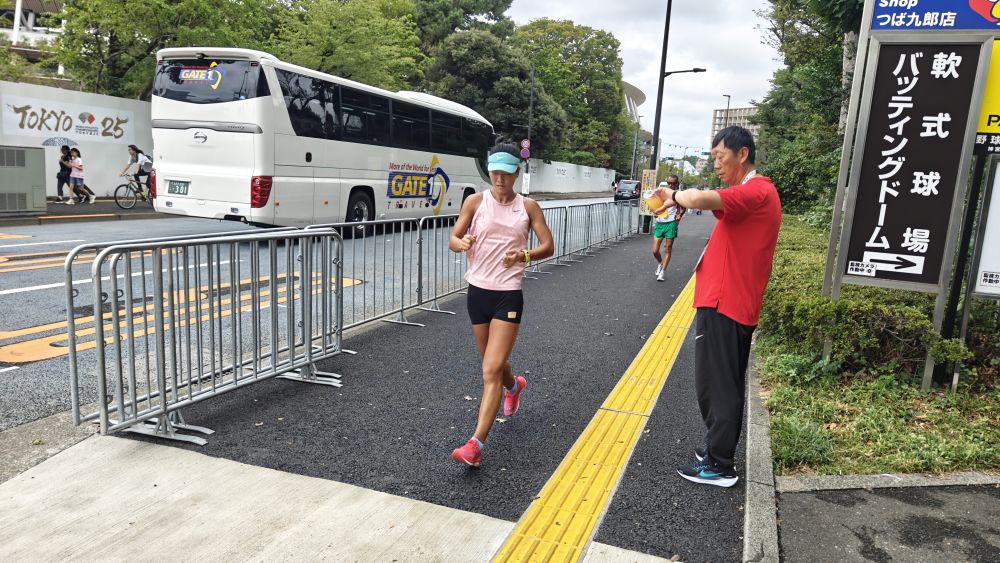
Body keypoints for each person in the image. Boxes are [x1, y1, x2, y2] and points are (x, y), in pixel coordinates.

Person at [655, 126, 781, 487]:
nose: (716, 165)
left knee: (718, 385)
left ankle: (720, 464)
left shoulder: (757, 190)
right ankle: (716, 448)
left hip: (727, 301)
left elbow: (698, 199)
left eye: (720, 157)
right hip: (727, 300)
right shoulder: (753, 193)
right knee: (721, 381)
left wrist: (674, 195)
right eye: (713, 158)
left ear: (742, 154)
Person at [448, 143, 555, 467]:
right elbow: (453, 238)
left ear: (516, 173)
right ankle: (514, 386)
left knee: (490, 369)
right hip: (477, 293)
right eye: (494, 173)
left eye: (505, 174)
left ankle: (475, 445)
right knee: (494, 365)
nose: (499, 179)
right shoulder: (475, 201)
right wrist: (462, 242)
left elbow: (548, 246)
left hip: (508, 294)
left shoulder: (528, 207)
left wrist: (523, 255)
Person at [650, 175, 685, 282]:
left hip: (671, 223)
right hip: (660, 223)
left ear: (677, 184)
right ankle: (661, 263)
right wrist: (654, 212)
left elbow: (684, 208)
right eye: (669, 183)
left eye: (673, 183)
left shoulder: (678, 195)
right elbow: (655, 206)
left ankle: (662, 272)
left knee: (668, 249)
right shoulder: (662, 193)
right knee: (655, 251)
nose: (670, 185)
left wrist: (680, 215)